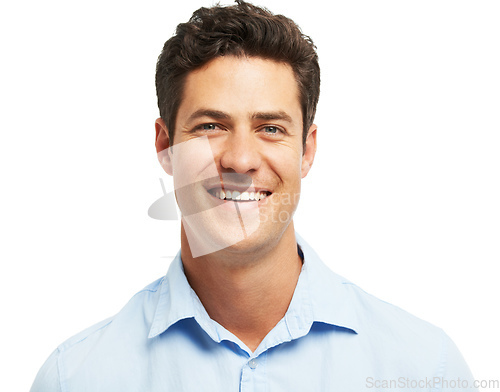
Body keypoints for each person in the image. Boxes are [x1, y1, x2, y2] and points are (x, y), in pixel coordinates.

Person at [30, 1, 477, 390]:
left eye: (270, 128)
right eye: (210, 126)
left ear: (307, 150)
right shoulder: (75, 380)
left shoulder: (425, 369)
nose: (241, 160)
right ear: (165, 147)